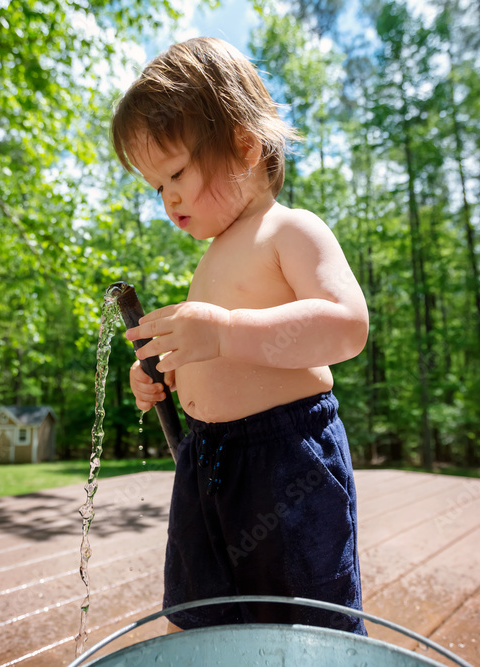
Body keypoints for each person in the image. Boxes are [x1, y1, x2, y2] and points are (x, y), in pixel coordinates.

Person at [111, 36, 369, 636]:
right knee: (201, 611)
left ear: (244, 146)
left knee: (304, 615)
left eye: (175, 173)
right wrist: (164, 371)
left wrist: (223, 331)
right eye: (156, 186)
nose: (168, 197)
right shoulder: (214, 257)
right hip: (206, 457)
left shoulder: (290, 230)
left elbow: (346, 326)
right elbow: (219, 361)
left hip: (283, 458)